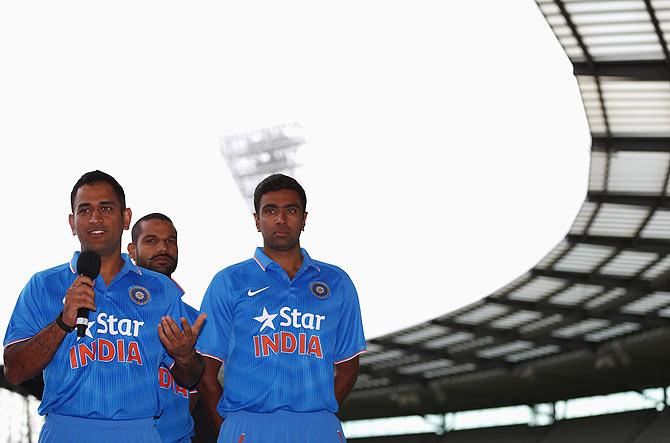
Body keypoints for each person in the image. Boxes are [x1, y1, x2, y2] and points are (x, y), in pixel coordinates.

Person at [3, 170, 205, 443]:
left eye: (106, 208)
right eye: (85, 210)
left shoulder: (161, 290)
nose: (95, 218)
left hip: (139, 431)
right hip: (66, 430)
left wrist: (184, 356)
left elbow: (191, 379)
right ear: (72, 222)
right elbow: (14, 371)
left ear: (125, 218)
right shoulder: (43, 284)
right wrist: (62, 322)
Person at [197, 174, 366, 442]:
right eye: (270, 210)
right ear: (256, 220)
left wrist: (312, 413)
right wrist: (230, 427)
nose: (280, 219)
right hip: (248, 425)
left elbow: (348, 367)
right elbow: (205, 370)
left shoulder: (337, 282)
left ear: (304, 219)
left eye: (290, 210)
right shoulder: (229, 281)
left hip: (317, 427)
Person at [127, 213, 199, 443]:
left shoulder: (194, 318)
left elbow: (198, 387)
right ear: (131, 250)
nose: (163, 248)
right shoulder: (113, 305)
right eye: (151, 241)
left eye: (170, 241)